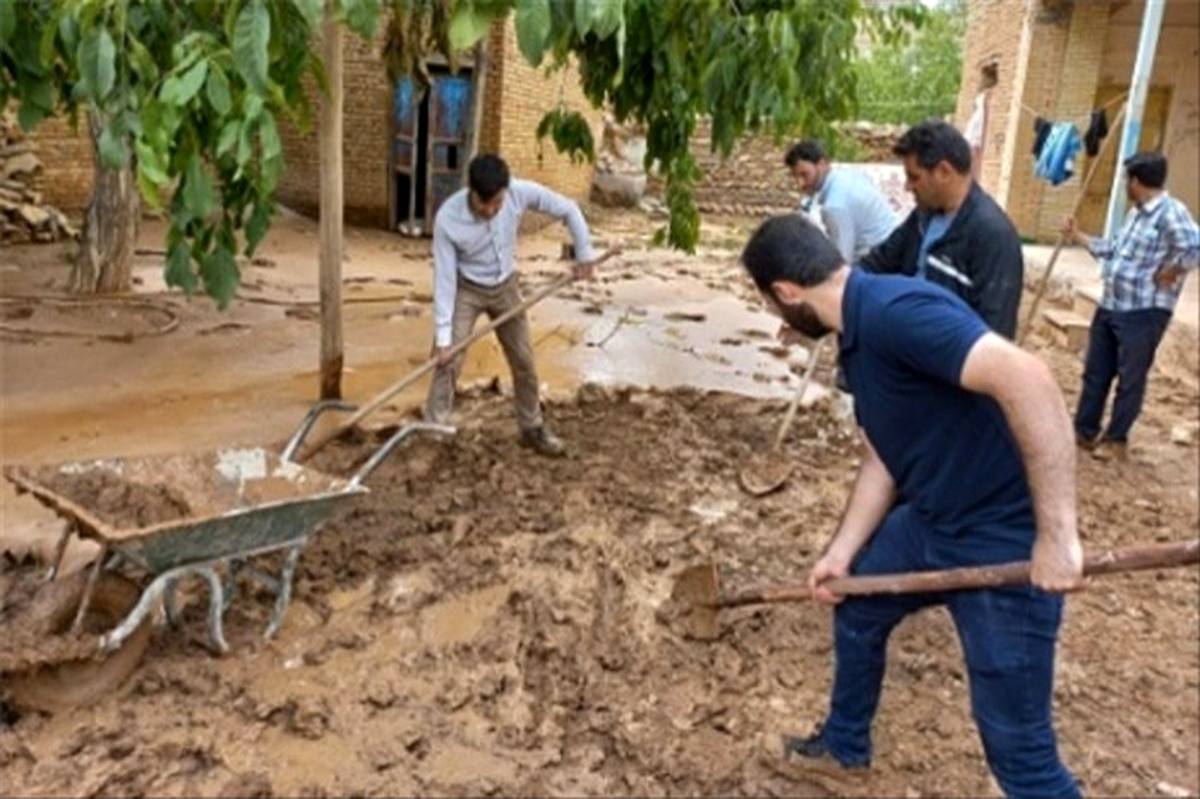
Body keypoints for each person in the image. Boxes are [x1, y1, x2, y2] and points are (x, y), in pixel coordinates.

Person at [741, 214, 1083, 798]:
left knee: (1020, 754)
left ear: (786, 292)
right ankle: (845, 748)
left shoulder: (897, 313)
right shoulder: (856, 337)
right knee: (857, 609)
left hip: (1004, 541)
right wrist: (841, 555)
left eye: (777, 310)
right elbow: (884, 458)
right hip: (930, 522)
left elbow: (1029, 378)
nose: (784, 323)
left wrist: (1056, 536)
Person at [424, 154, 599, 456]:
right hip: (467, 289)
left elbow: (569, 208)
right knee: (447, 359)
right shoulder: (448, 220)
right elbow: (444, 280)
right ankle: (433, 431)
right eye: (485, 204)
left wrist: (584, 254)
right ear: (471, 192)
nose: (492, 210)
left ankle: (532, 428)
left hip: (506, 287)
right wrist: (442, 337)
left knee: (524, 361)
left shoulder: (519, 192)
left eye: (498, 203)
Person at [1063, 151, 1199, 461]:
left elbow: (1195, 246)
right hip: (1111, 304)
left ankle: (1116, 440)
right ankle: (1084, 431)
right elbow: (1113, 249)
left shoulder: (1170, 213)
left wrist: (1173, 270)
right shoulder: (1137, 213)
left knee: (1130, 378)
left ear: (1137, 182)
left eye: (1127, 179)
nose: (1126, 185)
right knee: (1096, 372)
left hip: (1144, 311)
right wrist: (1078, 237)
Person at [860, 120, 1024, 338]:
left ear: (944, 172)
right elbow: (879, 263)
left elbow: (995, 334)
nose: (907, 187)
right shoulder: (923, 217)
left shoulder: (993, 237)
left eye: (914, 177)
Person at [785, 140, 898, 264]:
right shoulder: (848, 175)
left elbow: (842, 260)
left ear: (822, 164)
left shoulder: (835, 205)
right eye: (795, 177)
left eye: (804, 175)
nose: (800, 184)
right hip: (893, 247)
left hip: (881, 261)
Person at [963, 63, 998, 180]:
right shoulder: (981, 95)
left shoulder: (986, 96)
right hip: (973, 130)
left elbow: (983, 117)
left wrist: (978, 138)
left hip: (976, 133)